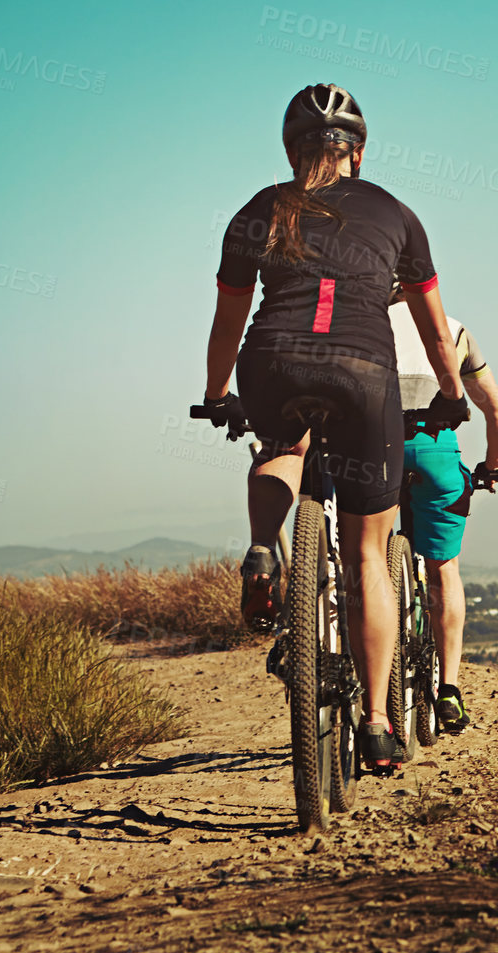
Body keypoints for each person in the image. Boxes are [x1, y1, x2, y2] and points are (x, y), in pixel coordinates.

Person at [200, 83, 466, 767]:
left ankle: (264, 542)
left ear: (292, 150)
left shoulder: (258, 210)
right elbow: (436, 333)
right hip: (363, 372)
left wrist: (217, 391)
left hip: (273, 361)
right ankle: (377, 724)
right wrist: (452, 394)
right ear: (360, 150)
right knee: (367, 556)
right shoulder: (397, 214)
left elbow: (229, 318)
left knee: (282, 444)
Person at [389, 288, 498, 731]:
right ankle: (450, 690)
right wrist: (492, 468)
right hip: (434, 454)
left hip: (374, 452)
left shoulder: (358, 326)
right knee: (444, 570)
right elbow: (497, 415)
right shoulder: (454, 331)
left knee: (362, 562)